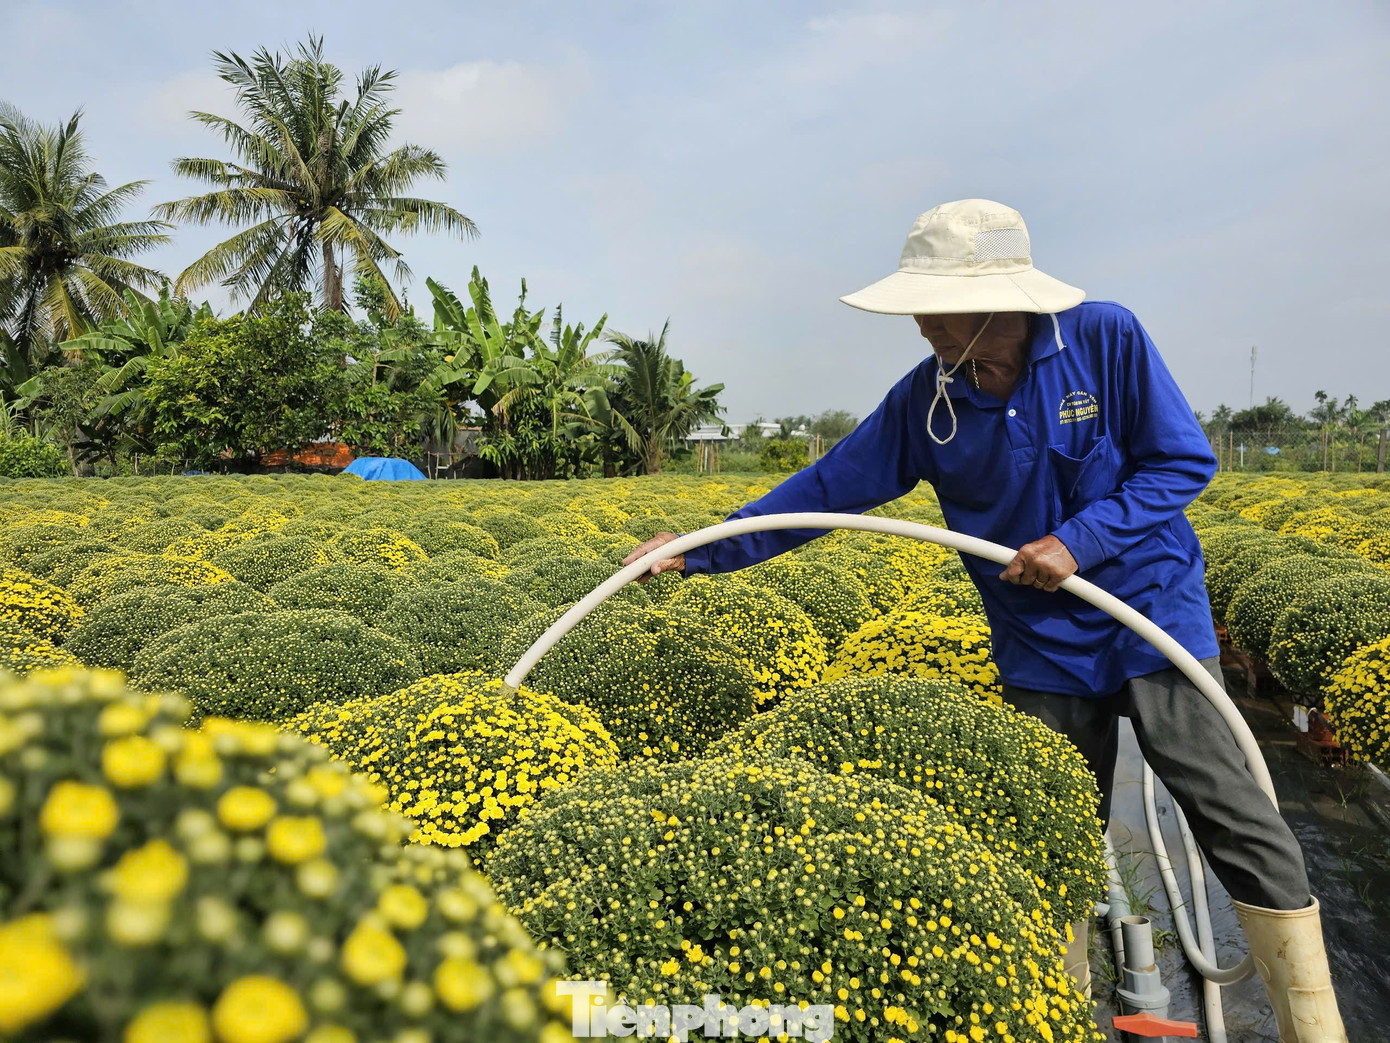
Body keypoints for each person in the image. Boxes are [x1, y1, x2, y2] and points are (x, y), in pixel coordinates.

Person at [624, 199, 1347, 1042]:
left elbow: (1181, 460)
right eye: (918, 306)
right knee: (1051, 823)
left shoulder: (1103, 339)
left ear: (1003, 300)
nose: (924, 324)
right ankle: (1061, 1004)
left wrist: (1079, 541)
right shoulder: (925, 402)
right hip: (1040, 646)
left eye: (938, 305)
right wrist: (703, 546)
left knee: (1228, 805)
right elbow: (824, 494)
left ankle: (1314, 1021)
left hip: (1150, 618)